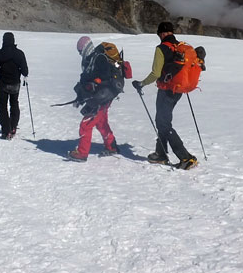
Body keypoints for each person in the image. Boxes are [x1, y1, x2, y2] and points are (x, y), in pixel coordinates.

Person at [132, 21, 198, 170]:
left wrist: (141, 83)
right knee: (162, 120)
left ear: (161, 34)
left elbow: (156, 73)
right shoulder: (180, 47)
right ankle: (160, 153)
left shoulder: (161, 48)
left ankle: (185, 157)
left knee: (163, 123)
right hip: (179, 90)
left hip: (166, 90)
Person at [67, 36, 121, 161]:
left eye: (80, 50)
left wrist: (95, 82)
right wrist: (79, 96)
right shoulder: (88, 60)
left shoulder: (99, 58)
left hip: (102, 96)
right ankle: (111, 146)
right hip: (101, 96)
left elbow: (105, 75)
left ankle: (82, 153)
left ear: (86, 47)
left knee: (86, 124)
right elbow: (84, 79)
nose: (80, 53)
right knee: (101, 122)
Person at [0, 32, 29, 139]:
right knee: (14, 104)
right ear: (13, 40)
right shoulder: (19, 54)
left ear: (3, 40)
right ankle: (13, 126)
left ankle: (6, 130)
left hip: (3, 84)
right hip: (15, 84)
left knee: (3, 106)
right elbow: (25, 71)